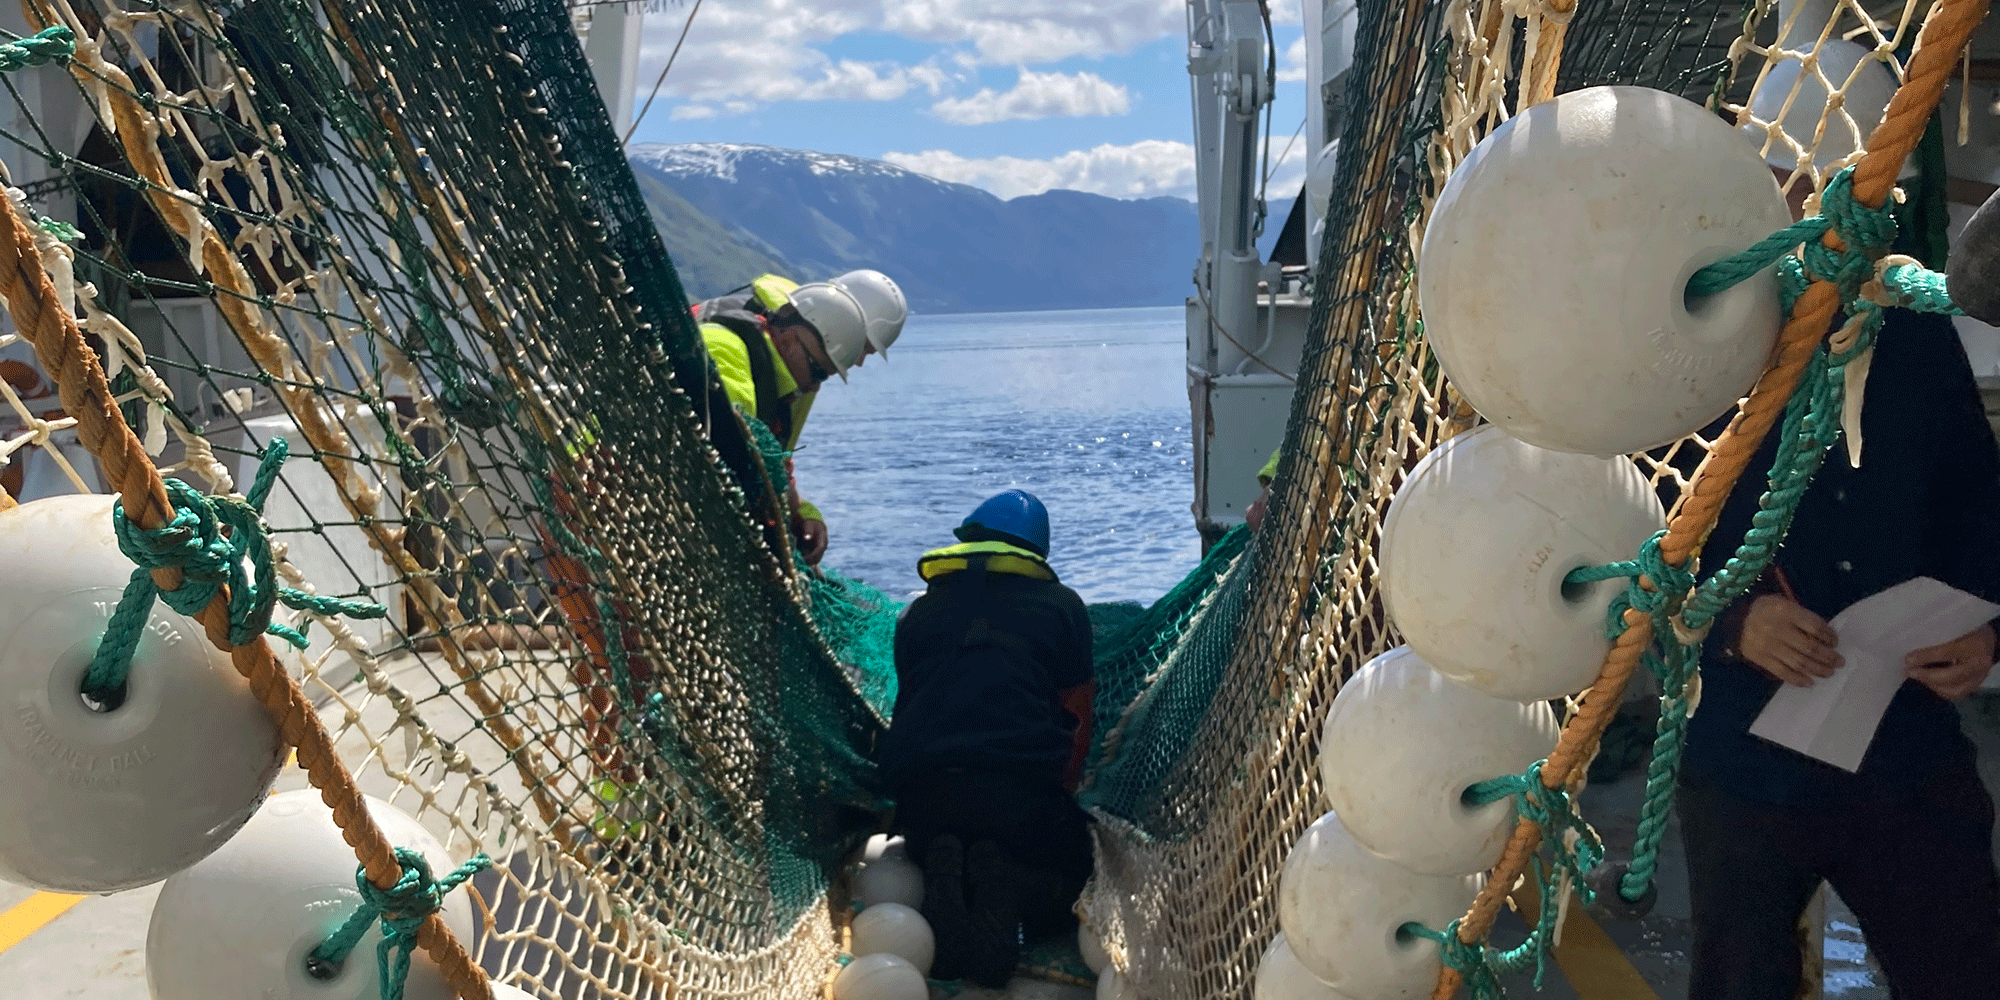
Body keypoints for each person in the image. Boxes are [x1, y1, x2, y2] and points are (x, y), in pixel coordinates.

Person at [1674, 88, 2000, 998]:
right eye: (1796, 184)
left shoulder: (1920, 335)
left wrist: (1985, 638)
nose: (1816, 206)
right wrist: (1738, 620)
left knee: (1965, 968)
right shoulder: (1695, 350)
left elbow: (1982, 514)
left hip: (1904, 740)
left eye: (1838, 186)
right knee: (1742, 981)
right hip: (1744, 751)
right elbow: (1644, 531)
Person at [875, 490, 1096, 987]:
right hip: (1017, 802)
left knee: (946, 846)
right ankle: (1012, 885)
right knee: (1077, 875)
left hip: (924, 802)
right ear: (1035, 553)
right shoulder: (1062, 608)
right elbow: (1077, 722)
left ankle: (948, 875)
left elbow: (910, 706)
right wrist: (1060, 801)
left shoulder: (917, 615)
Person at [695, 270, 907, 565]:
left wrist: (800, 512)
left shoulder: (801, 342)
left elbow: (775, 453)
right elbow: (742, 450)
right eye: (859, 347)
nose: (857, 361)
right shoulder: (733, 348)